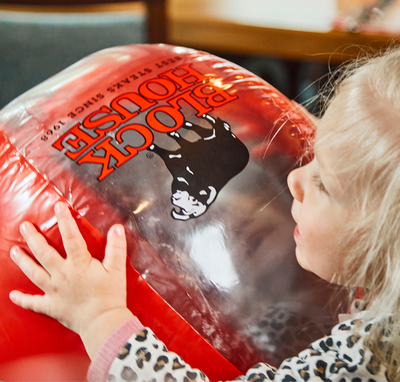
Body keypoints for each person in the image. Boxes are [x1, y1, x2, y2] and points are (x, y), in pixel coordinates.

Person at [8, 46, 400, 382]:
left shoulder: (366, 355)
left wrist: (100, 317)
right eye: (313, 146)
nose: (296, 175)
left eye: (324, 184)